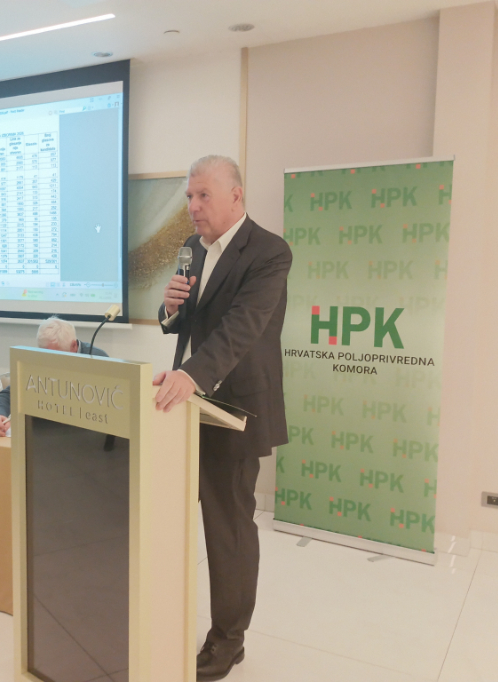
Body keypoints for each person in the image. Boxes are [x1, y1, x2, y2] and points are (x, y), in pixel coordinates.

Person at [154, 155, 291, 681]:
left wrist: (190, 375)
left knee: (228, 530)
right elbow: (189, 320)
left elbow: (242, 327)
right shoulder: (193, 249)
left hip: (235, 409)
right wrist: (170, 310)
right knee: (176, 519)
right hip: (189, 406)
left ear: (236, 195)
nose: (192, 206)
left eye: (202, 195)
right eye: (189, 196)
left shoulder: (269, 252)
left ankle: (228, 639)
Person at [0, 316, 107, 437]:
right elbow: (10, 394)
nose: (50, 362)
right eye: (45, 354)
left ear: (73, 346)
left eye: (56, 356)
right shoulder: (42, 358)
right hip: (45, 433)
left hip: (85, 434)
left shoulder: (98, 360)